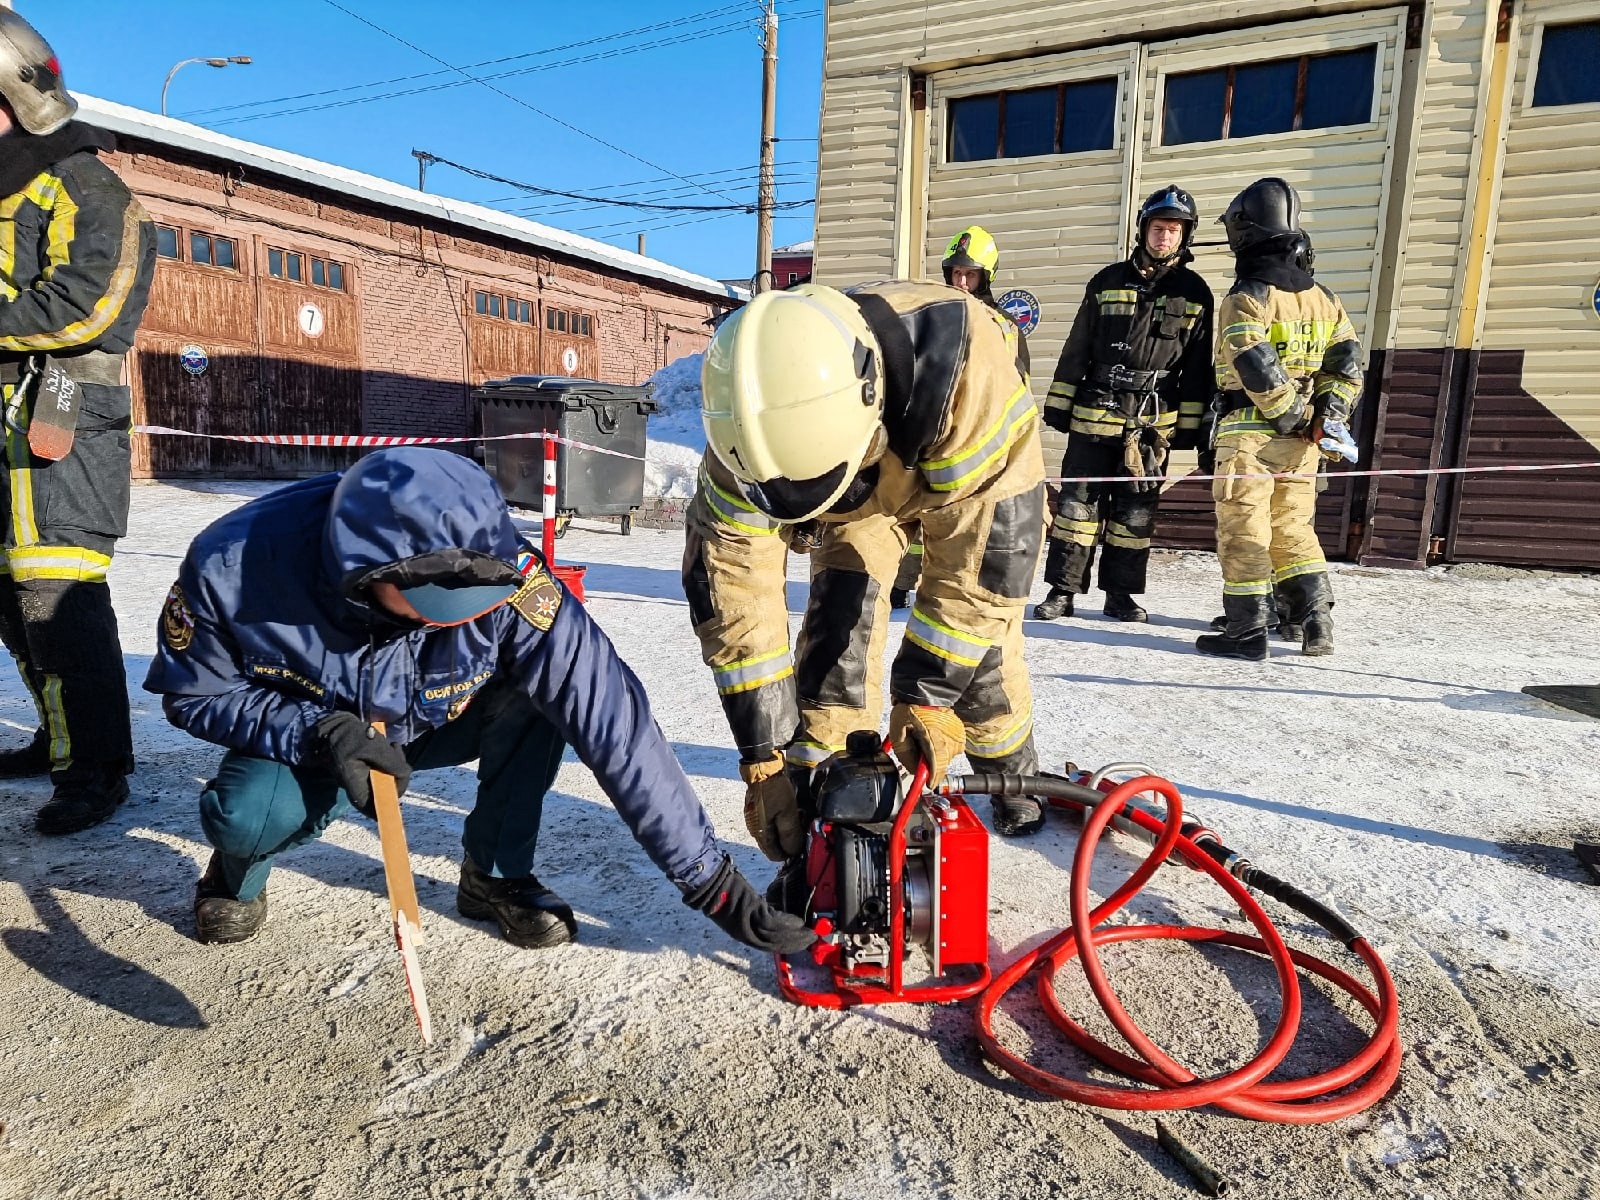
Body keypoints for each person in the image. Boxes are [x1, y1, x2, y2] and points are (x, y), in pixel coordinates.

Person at [143, 446, 815, 958]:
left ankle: (494, 875)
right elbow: (193, 694)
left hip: (433, 718)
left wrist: (710, 881)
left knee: (540, 694)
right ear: (364, 574)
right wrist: (316, 732)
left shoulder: (505, 572)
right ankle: (236, 875)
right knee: (249, 812)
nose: (456, 619)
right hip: (321, 740)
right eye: (436, 605)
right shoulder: (235, 567)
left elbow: (610, 714)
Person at [683, 279, 1048, 898]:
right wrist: (764, 755)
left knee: (976, 650)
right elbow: (733, 594)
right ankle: (822, 789)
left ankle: (1013, 776)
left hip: (959, 470)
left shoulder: (968, 368)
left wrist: (927, 695)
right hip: (859, 476)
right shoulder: (745, 433)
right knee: (837, 629)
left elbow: (983, 570)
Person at [0, 12, 156, 835]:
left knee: (55, 593)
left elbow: (87, 306)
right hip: (1, 418)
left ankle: (96, 769)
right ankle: (61, 743)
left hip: (59, 412)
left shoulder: (84, 183)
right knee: (7, 597)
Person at [1196, 178, 1363, 661]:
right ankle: (1315, 622)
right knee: (1293, 528)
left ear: (1245, 231)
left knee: (1245, 530)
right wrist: (1324, 419)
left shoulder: (1247, 295)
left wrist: (1290, 416)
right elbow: (1347, 364)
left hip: (1249, 437)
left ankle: (1246, 633)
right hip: (1305, 441)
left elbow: (1252, 359)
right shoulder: (1325, 298)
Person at [1034, 186, 1214, 624]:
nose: (1164, 237)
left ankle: (1120, 596)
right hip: (1096, 410)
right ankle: (1062, 592)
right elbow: (1078, 344)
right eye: (1158, 228)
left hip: (1153, 423)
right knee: (1077, 507)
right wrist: (1060, 402)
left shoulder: (1195, 293)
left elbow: (1198, 365)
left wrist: (1191, 426)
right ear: (1143, 230)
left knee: (1135, 513)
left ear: (1184, 236)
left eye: (1173, 230)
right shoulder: (1107, 281)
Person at [889, 225, 1030, 610]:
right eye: (956, 274)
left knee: (967, 519)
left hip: (979, 440)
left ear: (986, 278)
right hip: (933, 432)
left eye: (971, 275)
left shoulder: (1004, 327)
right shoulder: (935, 319)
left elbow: (1019, 387)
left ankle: (954, 589)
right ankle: (901, 584)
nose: (962, 283)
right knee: (915, 513)